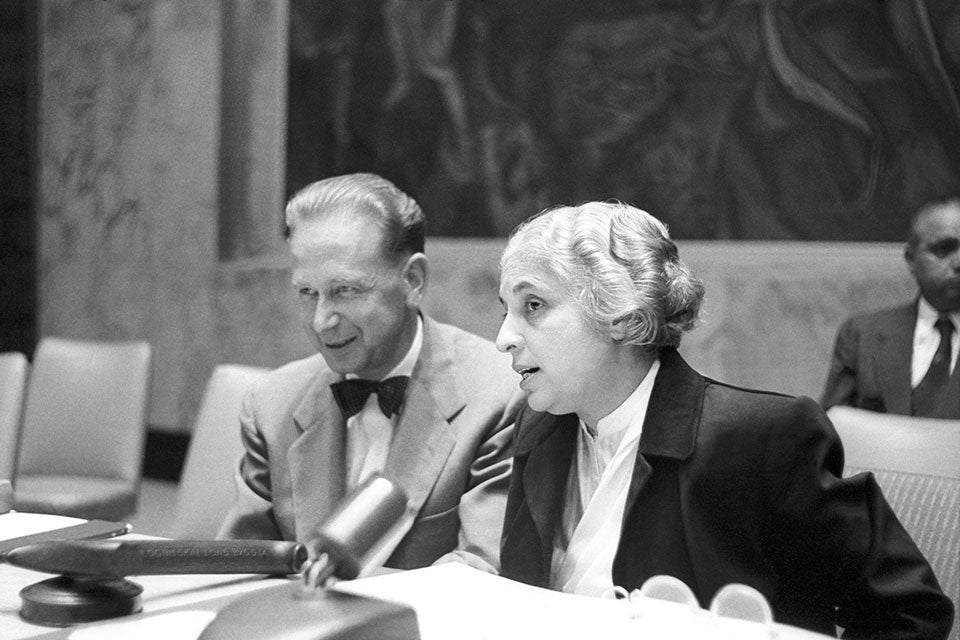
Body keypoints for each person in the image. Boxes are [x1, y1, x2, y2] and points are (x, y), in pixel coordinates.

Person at [495, 201, 954, 638]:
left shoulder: (762, 439)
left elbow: (908, 611)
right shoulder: (540, 429)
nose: (504, 338)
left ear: (619, 312)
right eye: (506, 310)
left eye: (533, 305)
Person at [219, 173, 519, 573]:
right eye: (308, 293)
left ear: (413, 280)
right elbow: (240, 564)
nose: (322, 321)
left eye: (346, 290)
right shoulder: (270, 403)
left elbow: (479, 574)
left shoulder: (500, 395)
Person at [821, 195, 960, 418]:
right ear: (911, 259)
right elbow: (832, 432)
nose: (958, 263)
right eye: (944, 249)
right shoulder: (861, 335)